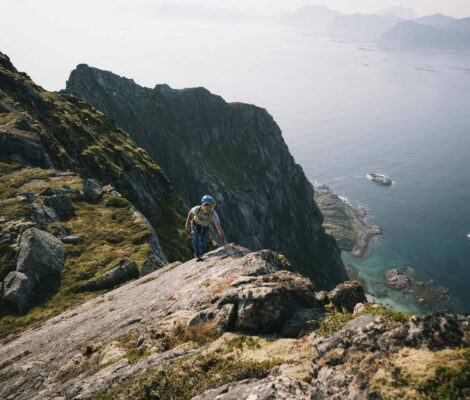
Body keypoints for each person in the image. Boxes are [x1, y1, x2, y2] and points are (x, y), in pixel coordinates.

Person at [185, 195, 226, 261]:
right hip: (195, 224)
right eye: (205, 205)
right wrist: (187, 223)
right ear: (202, 205)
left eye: (209, 205)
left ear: (212, 206)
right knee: (195, 237)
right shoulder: (196, 209)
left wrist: (223, 240)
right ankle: (197, 255)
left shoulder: (214, 215)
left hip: (205, 226)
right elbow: (190, 212)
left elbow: (219, 228)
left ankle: (201, 253)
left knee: (202, 240)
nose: (206, 207)